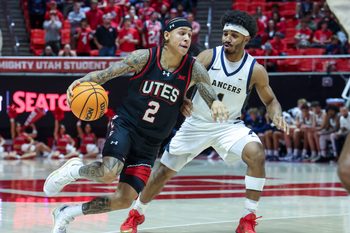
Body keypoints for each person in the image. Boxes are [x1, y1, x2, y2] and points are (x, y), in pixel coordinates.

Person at [43, 17, 228, 233]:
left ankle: (67, 213)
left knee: (124, 199)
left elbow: (207, 90)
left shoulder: (194, 68)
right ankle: (75, 170)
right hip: (127, 125)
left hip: (151, 143)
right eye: (182, 33)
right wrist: (83, 80)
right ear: (167, 35)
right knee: (109, 172)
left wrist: (215, 103)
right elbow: (108, 73)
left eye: (189, 34)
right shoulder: (145, 57)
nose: (187, 38)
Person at [120, 10, 289, 233]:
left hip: (229, 127)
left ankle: (248, 218)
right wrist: (183, 100)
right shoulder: (209, 56)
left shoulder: (255, 70)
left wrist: (276, 113)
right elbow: (183, 82)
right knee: (163, 173)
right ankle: (136, 213)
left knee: (256, 153)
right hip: (196, 123)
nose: (227, 38)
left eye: (234, 35)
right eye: (226, 33)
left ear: (246, 39)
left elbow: (271, 99)